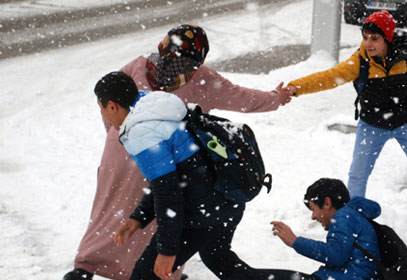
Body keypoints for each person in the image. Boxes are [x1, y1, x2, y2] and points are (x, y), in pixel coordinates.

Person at [64, 24, 291, 280]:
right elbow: (242, 98)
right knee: (163, 218)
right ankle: (160, 269)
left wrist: (116, 136)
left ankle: (90, 265)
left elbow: (111, 104)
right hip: (174, 164)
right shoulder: (200, 77)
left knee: (111, 212)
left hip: (123, 155)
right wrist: (276, 98)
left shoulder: (138, 67)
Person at [284, 10, 407, 232]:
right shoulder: (360, 62)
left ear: (388, 38)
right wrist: (296, 87)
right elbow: (328, 78)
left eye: (374, 38)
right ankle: (355, 217)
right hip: (372, 126)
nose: (368, 43)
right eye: (365, 37)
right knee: (358, 174)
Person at [93, 71, 252, 280]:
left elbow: (168, 193)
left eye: (101, 107)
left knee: (145, 276)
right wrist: (139, 217)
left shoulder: (141, 132)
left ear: (112, 105)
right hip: (226, 198)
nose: (103, 114)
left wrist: (167, 252)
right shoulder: (153, 107)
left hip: (204, 210)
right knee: (224, 264)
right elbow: (171, 178)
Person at [246, 178, 381, 280]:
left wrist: (295, 241)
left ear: (327, 203)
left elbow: (336, 255)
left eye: (313, 209)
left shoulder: (344, 216)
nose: (313, 216)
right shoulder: (351, 216)